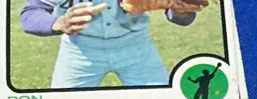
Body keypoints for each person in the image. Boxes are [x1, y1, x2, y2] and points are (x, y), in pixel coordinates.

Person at [19, 0, 206, 89]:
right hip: (80, 51)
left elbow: (180, 15)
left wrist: (180, 10)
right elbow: (30, 13)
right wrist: (57, 22)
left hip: (136, 47)